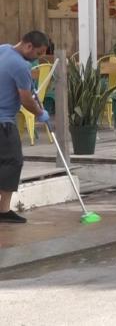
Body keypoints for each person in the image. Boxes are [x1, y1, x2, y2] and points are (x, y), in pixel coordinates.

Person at [0, 31, 51, 223]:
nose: (38, 58)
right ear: (29, 46)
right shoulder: (21, 66)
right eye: (38, 53)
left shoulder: (3, 49)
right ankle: (3, 210)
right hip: (3, 122)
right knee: (13, 162)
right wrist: (40, 113)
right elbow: (26, 99)